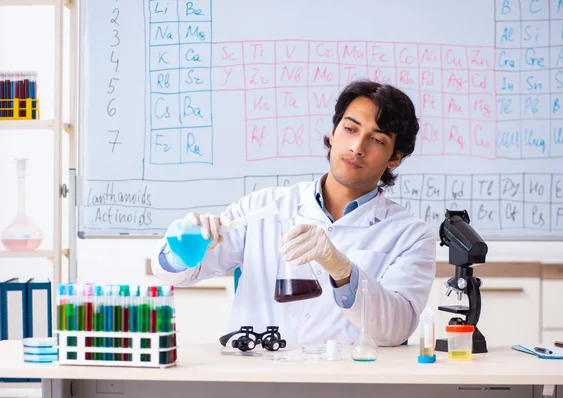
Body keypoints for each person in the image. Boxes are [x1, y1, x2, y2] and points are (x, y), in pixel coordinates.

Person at [152, 80, 436, 346]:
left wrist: (340, 268)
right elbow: (176, 275)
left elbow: (395, 330)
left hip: (346, 382)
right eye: (350, 129)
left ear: (396, 157)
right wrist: (187, 240)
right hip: (257, 378)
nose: (356, 147)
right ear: (333, 132)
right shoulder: (261, 207)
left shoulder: (410, 234)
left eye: (377, 140)